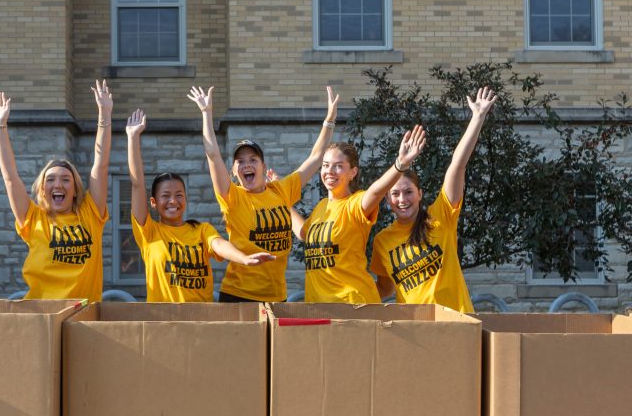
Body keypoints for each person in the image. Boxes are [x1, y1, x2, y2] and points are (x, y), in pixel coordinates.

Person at [187, 84, 340, 303]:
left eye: (253, 159)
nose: (246, 164)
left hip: (276, 296)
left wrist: (329, 120)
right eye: (240, 161)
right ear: (233, 171)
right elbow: (212, 154)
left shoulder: (281, 190)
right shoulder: (232, 196)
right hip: (238, 294)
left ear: (262, 165)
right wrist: (206, 113)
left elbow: (315, 158)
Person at [370, 86, 497, 312]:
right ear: (387, 199)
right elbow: (385, 288)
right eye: (395, 194)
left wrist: (477, 118)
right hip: (415, 331)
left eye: (408, 191)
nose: (402, 199)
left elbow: (457, 166)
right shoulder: (382, 240)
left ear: (420, 194)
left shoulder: (441, 217)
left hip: (456, 324)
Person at [126, 108, 274, 302]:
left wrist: (243, 258)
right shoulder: (148, 232)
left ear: (185, 200)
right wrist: (133, 138)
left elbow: (220, 245)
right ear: (153, 202)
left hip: (201, 322)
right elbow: (137, 184)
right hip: (162, 323)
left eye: (179, 195)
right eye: (166, 196)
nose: (173, 201)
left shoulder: (201, 230)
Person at [0, 82, 112, 300]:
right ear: (43, 189)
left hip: (85, 313)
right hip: (42, 312)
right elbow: (10, 177)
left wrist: (104, 114)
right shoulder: (33, 217)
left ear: (75, 190)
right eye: (51, 180)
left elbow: (100, 166)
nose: (58, 185)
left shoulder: (90, 213)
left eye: (66, 180)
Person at [290, 127, 426, 304]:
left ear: (352, 173)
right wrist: (283, 201)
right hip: (319, 305)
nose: (330, 171)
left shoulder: (355, 203)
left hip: (352, 305)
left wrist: (400, 164)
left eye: (338, 166)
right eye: (325, 165)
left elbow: (376, 192)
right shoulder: (322, 207)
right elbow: (304, 233)